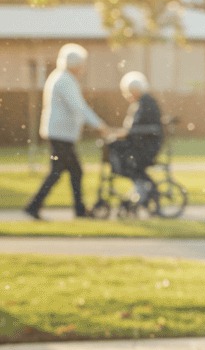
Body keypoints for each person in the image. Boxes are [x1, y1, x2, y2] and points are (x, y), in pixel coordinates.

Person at [24, 43, 110, 220]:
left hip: (61, 134)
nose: (83, 69)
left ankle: (77, 210)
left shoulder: (62, 77)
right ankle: (35, 206)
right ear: (75, 65)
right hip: (60, 135)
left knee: (73, 172)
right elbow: (79, 107)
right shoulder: (65, 80)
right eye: (82, 64)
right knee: (59, 172)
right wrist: (100, 125)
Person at [107, 71, 165, 207]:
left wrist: (124, 133)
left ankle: (146, 190)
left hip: (145, 147)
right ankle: (146, 190)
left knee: (124, 162)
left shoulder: (145, 103)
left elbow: (139, 128)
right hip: (143, 145)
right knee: (127, 162)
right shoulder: (143, 102)